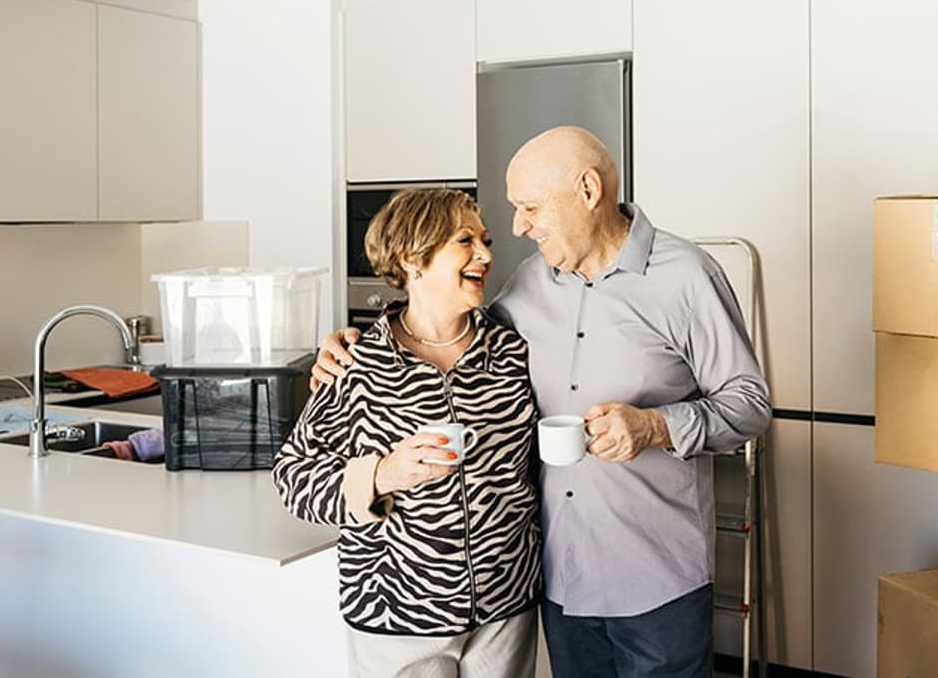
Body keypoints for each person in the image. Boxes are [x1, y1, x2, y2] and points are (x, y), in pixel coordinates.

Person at [314, 126, 772, 677]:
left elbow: (749, 403)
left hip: (657, 576)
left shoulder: (687, 276)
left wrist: (656, 426)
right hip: (561, 580)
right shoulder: (527, 285)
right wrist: (351, 344)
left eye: (530, 207)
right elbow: (442, 329)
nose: (517, 228)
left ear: (587, 190)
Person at [273, 188, 541, 678]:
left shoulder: (512, 350)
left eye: (485, 241)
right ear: (412, 258)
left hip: (506, 609)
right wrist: (382, 474)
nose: (486, 255)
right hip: (395, 613)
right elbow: (292, 478)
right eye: (465, 241)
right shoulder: (357, 362)